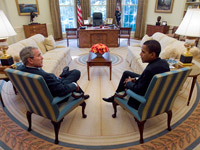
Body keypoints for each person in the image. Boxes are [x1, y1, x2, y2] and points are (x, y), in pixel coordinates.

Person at [102, 40, 170, 109]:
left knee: (127, 80)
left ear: (152, 55)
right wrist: (135, 79)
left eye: (143, 52)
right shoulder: (164, 63)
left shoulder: (149, 70)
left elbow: (139, 90)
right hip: (150, 86)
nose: (140, 54)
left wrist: (128, 83)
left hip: (140, 100)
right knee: (126, 73)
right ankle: (116, 95)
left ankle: (116, 97)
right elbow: (147, 79)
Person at [18, 46, 89, 99]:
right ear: (30, 60)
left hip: (53, 83)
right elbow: (61, 91)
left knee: (70, 73)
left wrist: (54, 78)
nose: (42, 57)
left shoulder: (21, 69)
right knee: (76, 73)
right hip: (58, 90)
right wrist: (74, 85)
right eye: (39, 55)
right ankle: (81, 94)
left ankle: (64, 74)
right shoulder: (44, 76)